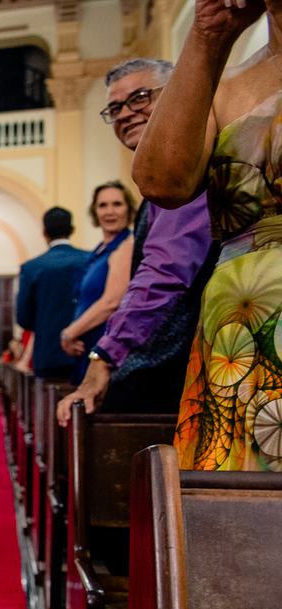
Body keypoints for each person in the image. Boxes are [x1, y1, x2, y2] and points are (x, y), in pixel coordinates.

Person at [134, 0, 282, 609]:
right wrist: (209, 33)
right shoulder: (233, 76)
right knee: (241, 550)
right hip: (236, 344)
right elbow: (160, 179)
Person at [56, 57, 219, 423]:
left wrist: (105, 358)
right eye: (115, 108)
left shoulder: (186, 169)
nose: (125, 114)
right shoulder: (162, 180)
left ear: (178, 95)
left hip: (177, 361)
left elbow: (166, 272)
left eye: (140, 97)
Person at [60, 182, 136, 384]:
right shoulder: (99, 250)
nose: (109, 211)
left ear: (129, 209)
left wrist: (69, 333)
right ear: (94, 211)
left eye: (117, 204)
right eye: (102, 205)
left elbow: (112, 302)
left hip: (107, 348)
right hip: (87, 345)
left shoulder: (126, 247)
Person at [15, 208, 90, 379]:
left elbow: (24, 319)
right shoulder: (89, 259)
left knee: (50, 404)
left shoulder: (31, 268)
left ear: (44, 233)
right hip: (84, 349)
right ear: (72, 230)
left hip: (48, 355)